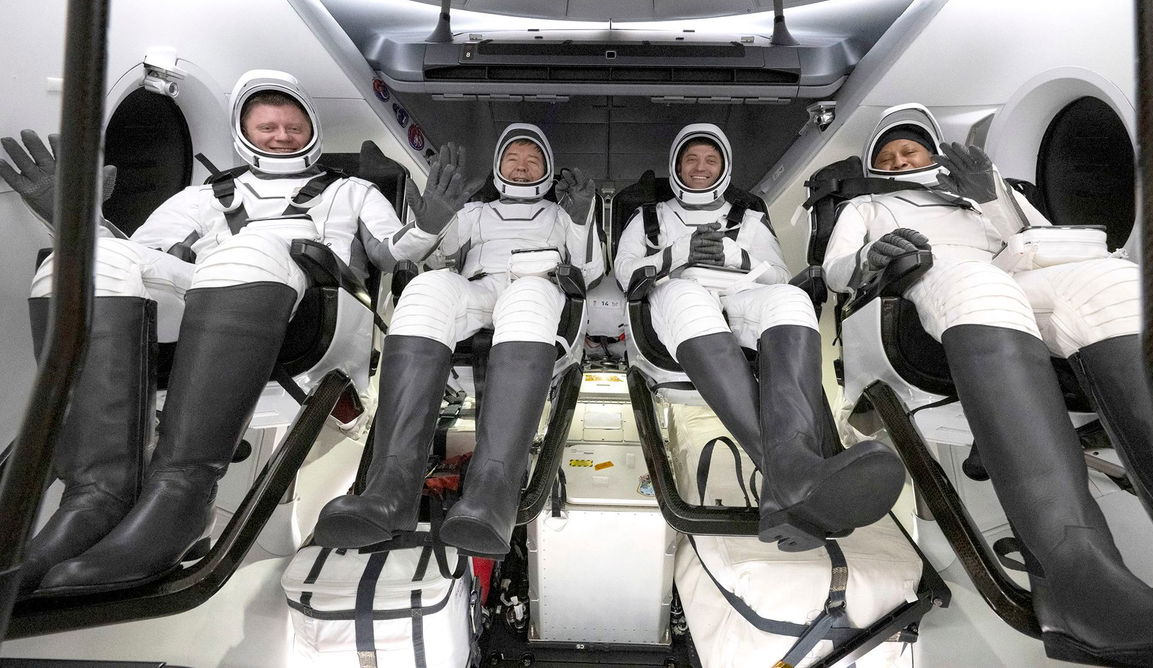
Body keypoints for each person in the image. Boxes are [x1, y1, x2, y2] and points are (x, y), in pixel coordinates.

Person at [1, 70, 428, 594]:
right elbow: (143, 259)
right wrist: (77, 219)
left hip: (322, 314)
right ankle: (96, 496)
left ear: (311, 128)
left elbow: (392, 250)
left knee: (249, 248)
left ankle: (184, 495)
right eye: (268, 126)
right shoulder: (202, 197)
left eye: (293, 126)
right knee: (85, 259)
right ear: (243, 130)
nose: (282, 136)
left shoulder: (351, 191)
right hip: (214, 298)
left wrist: (431, 224)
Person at [823, 103, 1153, 665]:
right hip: (938, 273)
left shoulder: (982, 186)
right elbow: (836, 270)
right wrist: (872, 255)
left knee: (1120, 285)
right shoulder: (868, 204)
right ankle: (1082, 588)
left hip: (1025, 267)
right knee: (982, 286)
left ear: (932, 150)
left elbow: (1042, 241)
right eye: (889, 154)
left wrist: (989, 196)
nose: (902, 159)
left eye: (912, 149)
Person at [313, 123, 603, 559]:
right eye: (513, 160)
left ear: (547, 169)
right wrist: (435, 215)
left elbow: (590, 272)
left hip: (537, 289)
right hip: (479, 288)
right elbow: (430, 254)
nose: (522, 169)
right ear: (498, 166)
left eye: (532, 161)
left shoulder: (561, 215)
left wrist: (581, 217)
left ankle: (492, 495)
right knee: (425, 290)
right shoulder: (476, 212)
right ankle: (389, 489)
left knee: (527, 295)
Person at [613, 123, 905, 551]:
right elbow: (625, 274)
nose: (700, 167)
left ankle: (787, 482)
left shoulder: (747, 218)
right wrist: (679, 255)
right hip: (677, 291)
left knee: (789, 299)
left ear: (724, 167)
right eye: (690, 159)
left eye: (710, 159)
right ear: (676, 165)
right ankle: (796, 473)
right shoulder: (648, 218)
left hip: (742, 290)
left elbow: (777, 275)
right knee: (686, 295)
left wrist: (737, 254)